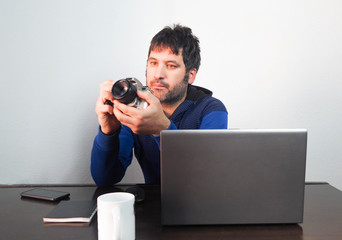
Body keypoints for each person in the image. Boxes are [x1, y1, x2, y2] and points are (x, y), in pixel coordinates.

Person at [91, 24, 228, 186]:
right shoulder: (135, 109)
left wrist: (162, 130)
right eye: (153, 63)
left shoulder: (211, 110)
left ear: (191, 75)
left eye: (171, 66)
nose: (158, 75)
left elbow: (205, 181)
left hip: (197, 207)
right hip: (152, 206)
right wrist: (108, 132)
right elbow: (104, 179)